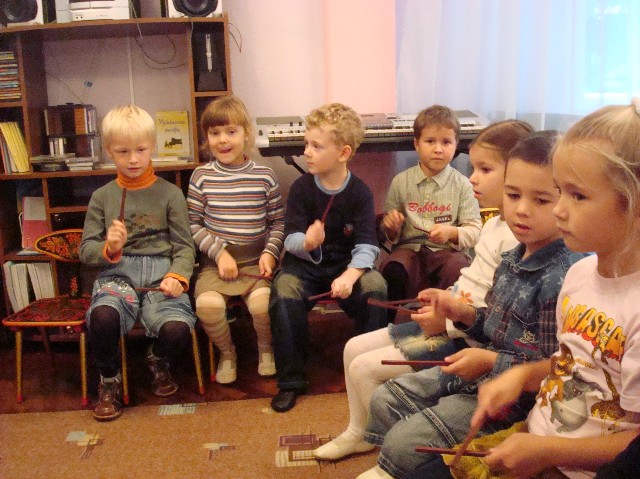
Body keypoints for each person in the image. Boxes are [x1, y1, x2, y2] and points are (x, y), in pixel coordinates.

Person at [356, 130, 586, 479]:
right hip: (482, 371)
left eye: (541, 200)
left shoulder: (562, 277)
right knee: (385, 399)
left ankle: (401, 463)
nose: (521, 209)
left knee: (402, 445)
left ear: (568, 201)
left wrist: (491, 361)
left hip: (515, 402)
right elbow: (494, 325)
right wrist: (463, 313)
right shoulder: (514, 256)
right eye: (513, 195)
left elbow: (555, 368)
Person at [313, 120, 532, 462]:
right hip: (454, 319)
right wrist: (445, 301)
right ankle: (359, 433)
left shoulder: (518, 237)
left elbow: (496, 314)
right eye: (474, 168)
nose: (473, 178)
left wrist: (447, 319)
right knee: (353, 348)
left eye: (485, 169)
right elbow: (472, 284)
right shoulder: (495, 224)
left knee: (364, 369)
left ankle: (389, 448)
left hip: (467, 337)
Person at [446, 99, 640, 479]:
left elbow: (635, 447)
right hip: (536, 438)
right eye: (559, 192)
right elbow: (575, 364)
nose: (559, 210)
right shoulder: (579, 275)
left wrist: (547, 452)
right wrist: (522, 377)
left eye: (577, 195)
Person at [80, 105, 197, 421]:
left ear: (152, 147)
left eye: (141, 150)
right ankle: (109, 380)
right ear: (109, 151)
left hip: (161, 275)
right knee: (103, 317)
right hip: (117, 277)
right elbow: (85, 251)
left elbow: (185, 247)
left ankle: (157, 358)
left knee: (177, 329)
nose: (133, 159)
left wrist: (178, 276)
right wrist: (109, 247)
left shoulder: (171, 194)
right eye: (123, 151)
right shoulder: (102, 197)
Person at [269, 103, 388, 413]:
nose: (306, 152)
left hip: (347, 265)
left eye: (316, 146)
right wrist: (308, 242)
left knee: (375, 287)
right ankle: (291, 380)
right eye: (306, 144)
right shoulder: (301, 188)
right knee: (284, 291)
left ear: (343, 152)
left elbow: (368, 245)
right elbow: (290, 239)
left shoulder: (360, 192)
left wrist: (350, 275)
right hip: (304, 265)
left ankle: (368, 371)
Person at [187, 96, 285, 384]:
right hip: (214, 265)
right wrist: (219, 254)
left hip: (255, 263)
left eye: (231, 131)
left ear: (246, 134)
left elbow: (278, 223)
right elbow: (194, 224)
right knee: (208, 306)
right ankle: (227, 352)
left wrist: (269, 253)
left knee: (262, 306)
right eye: (214, 133)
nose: (223, 140)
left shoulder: (264, 176)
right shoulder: (201, 176)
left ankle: (265, 348)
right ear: (206, 137)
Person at [380, 105, 482, 322]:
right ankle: (392, 324)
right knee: (394, 268)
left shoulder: (463, 185)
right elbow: (390, 235)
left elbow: (475, 231)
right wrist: (391, 227)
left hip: (447, 252)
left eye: (446, 142)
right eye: (430, 141)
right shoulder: (401, 182)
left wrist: (451, 233)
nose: (438, 149)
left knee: (459, 268)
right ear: (416, 144)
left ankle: (446, 323)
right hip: (409, 250)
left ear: (456, 145)